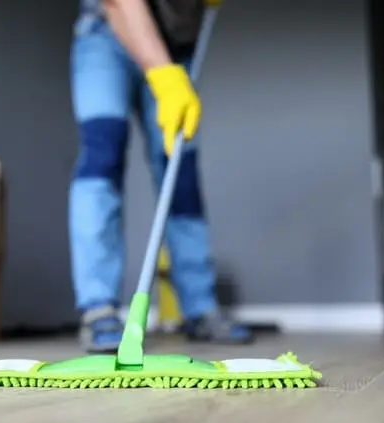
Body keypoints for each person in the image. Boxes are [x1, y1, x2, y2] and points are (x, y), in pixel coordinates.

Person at [69, 0, 253, 352]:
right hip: (106, 33)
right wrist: (163, 75)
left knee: (180, 174)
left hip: (177, 48)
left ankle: (200, 307)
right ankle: (98, 308)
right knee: (101, 161)